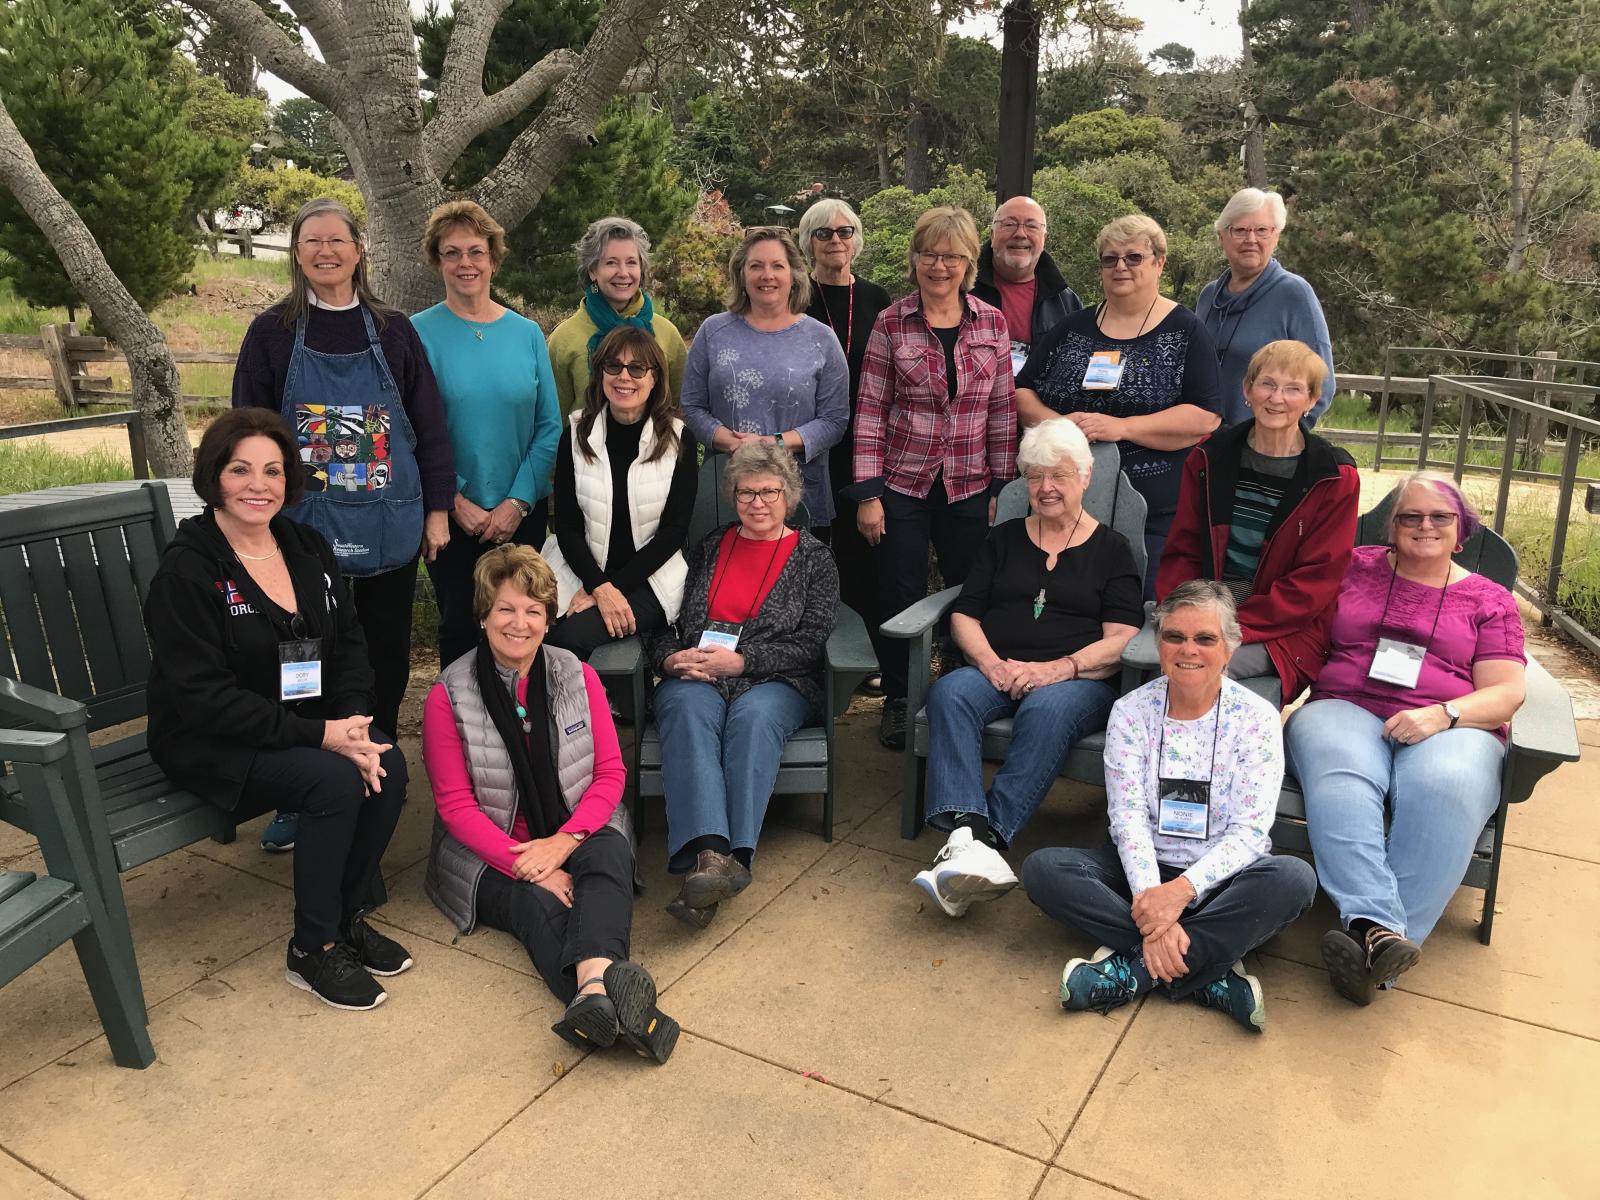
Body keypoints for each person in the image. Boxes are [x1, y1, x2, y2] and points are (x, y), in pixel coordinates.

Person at [145, 408, 412, 1012]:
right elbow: (202, 699)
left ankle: (344, 919)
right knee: (333, 782)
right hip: (209, 738)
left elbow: (348, 644)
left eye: (271, 470)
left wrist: (352, 724)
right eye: (240, 470)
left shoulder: (304, 545)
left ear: (289, 480)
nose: (257, 485)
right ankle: (311, 948)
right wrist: (324, 738)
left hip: (300, 726)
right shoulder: (189, 570)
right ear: (214, 476)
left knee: (387, 768)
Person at [233, 198, 454, 852]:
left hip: (387, 526)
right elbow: (247, 433)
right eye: (312, 242)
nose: (325, 252)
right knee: (300, 656)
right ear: (297, 255)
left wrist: (437, 512)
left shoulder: (393, 331)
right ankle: (301, 788)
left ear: (360, 251)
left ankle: (371, 770)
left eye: (337, 241)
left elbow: (432, 430)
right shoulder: (271, 332)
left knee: (383, 658)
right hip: (299, 533)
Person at [1022, 582, 1317, 1034]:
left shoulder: (1256, 719)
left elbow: (1251, 833)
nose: (1188, 650)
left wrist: (1181, 893)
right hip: (1140, 871)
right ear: (1159, 643)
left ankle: (1135, 971)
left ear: (1230, 648)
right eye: (1175, 636)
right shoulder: (1131, 711)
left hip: (1219, 878)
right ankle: (1205, 970)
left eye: (1205, 638)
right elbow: (1127, 818)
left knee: (1293, 879)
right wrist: (1152, 898)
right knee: (1045, 869)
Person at [421, 545, 678, 1062]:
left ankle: (591, 994)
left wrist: (565, 844)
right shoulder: (447, 695)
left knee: (608, 858)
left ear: (549, 618)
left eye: (533, 611)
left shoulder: (576, 675)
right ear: (484, 615)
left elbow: (609, 775)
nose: (519, 624)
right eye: (506, 609)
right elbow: (455, 807)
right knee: (539, 904)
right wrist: (530, 865)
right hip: (490, 849)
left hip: (574, 828)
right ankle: (619, 1004)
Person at [1286, 473, 1527, 1007]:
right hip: (1345, 706)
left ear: (1461, 531)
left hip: (1454, 721)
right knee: (1340, 776)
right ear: (1391, 526)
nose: (1424, 526)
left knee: (1445, 786)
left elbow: (1507, 692)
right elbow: (1295, 624)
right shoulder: (1353, 567)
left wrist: (1443, 714)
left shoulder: (1490, 600)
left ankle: (1372, 949)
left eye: (1439, 517)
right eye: (1409, 516)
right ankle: (1380, 932)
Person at [912, 419, 1143, 917]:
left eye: (1059, 476)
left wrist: (1060, 668)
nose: (1046, 488)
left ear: (1085, 478)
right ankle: (966, 835)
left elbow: (1123, 636)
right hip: (1000, 666)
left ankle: (988, 840)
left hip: (1077, 681)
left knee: (1045, 710)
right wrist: (992, 664)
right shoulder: (1005, 539)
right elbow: (965, 613)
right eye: (1035, 477)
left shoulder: (1112, 549)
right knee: (950, 693)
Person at [647, 442, 839, 929]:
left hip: (779, 679)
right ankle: (712, 859)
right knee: (685, 711)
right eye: (746, 492)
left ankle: (728, 862)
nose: (757, 502)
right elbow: (666, 618)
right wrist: (669, 658)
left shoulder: (815, 559)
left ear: (788, 494)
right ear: (733, 496)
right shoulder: (710, 546)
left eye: (769, 491)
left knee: (753, 720)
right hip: (700, 671)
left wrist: (744, 661)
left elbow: (811, 644)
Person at [853, 205, 1018, 749]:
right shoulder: (891, 322)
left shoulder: (992, 322)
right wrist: (870, 493)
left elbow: (1001, 411)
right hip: (903, 483)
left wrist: (1001, 485)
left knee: (968, 589)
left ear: (970, 261)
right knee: (898, 591)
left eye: (951, 255)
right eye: (929, 254)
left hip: (971, 482)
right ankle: (901, 697)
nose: (939, 265)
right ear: (915, 259)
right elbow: (871, 410)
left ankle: (955, 692)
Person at [1016, 214, 1223, 596]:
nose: (1120, 267)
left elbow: (1204, 416)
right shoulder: (1072, 327)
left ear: (1159, 262)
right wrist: (1061, 426)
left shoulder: (1185, 330)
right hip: (1063, 509)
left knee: (1139, 617)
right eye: (1110, 259)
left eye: (1134, 257)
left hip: (1152, 514)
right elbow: (1022, 392)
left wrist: (1123, 427)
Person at [1157, 340, 1359, 698]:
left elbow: (1316, 581)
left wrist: (1230, 627)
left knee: (1201, 676)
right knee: (1168, 670)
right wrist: (1186, 611)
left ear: (1313, 400)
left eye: (1293, 389)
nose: (1276, 398)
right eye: (1267, 384)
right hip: (1205, 608)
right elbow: (1184, 549)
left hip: (1283, 627)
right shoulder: (1209, 457)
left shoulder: (1333, 476)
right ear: (1247, 389)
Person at [413, 200, 561, 668]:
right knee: (461, 624)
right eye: (452, 252)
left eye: (476, 251)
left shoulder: (528, 333)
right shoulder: (415, 334)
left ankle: (521, 725)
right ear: (437, 261)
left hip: (521, 513)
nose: (465, 263)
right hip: (451, 516)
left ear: (494, 257)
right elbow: (409, 429)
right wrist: (454, 500)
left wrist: (517, 502)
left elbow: (549, 425)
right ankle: (459, 729)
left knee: (522, 624)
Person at [679, 225, 850, 532]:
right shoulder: (713, 332)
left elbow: (834, 420)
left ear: (794, 275)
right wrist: (732, 443)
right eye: (756, 266)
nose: (766, 275)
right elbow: (691, 406)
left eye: (777, 266)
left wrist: (773, 444)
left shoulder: (821, 339)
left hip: (799, 495)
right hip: (728, 489)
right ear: (741, 274)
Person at [542, 327, 697, 660]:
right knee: (530, 626)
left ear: (655, 378)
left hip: (649, 579)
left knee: (566, 640)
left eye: (637, 368)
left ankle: (609, 711)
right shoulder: (576, 434)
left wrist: (612, 590)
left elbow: (673, 532)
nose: (624, 376)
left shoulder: (677, 438)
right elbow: (566, 525)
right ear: (600, 374)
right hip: (582, 570)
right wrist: (597, 585)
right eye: (613, 366)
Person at [799, 198, 893, 689]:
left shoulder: (880, 299)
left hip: (867, 442)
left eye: (845, 231)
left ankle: (868, 662)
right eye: (823, 233)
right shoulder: (796, 299)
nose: (836, 240)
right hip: (807, 443)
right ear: (807, 241)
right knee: (810, 549)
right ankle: (810, 654)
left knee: (864, 552)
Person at [1197, 188, 1337, 426]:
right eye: (1240, 230)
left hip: (1262, 448)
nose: (1251, 239)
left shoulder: (1294, 293)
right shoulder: (1209, 296)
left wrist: (1279, 440)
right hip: (1203, 444)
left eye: (1262, 230)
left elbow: (1322, 384)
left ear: (1276, 237)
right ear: (1222, 236)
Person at [547, 216, 688, 421]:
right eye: (611, 262)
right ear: (593, 271)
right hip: (582, 450)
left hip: (656, 450)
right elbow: (552, 419)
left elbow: (679, 409)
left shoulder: (667, 334)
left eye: (631, 262)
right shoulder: (563, 339)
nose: (623, 273)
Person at [970, 195, 1084, 376]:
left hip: (1039, 403)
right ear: (992, 235)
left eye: (1031, 226)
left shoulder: (1067, 302)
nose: (1020, 234)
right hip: (978, 403)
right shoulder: (963, 292)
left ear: (1044, 238)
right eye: (1009, 224)